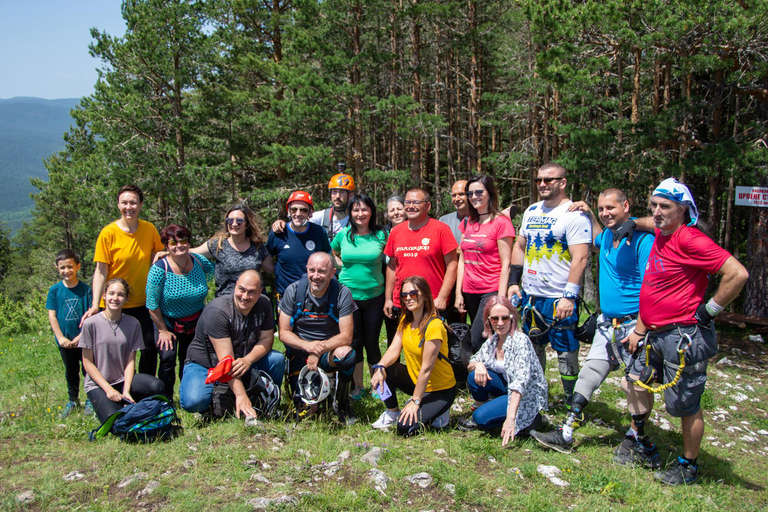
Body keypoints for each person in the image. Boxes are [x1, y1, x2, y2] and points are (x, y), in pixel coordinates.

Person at [621, 177, 748, 485]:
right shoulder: (663, 231)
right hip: (651, 332)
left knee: (684, 405)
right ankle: (639, 442)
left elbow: (737, 273)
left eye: (665, 206)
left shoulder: (690, 239)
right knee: (634, 383)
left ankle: (687, 465)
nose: (657, 212)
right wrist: (633, 223)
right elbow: (653, 222)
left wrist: (709, 311)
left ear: (684, 210)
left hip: (683, 336)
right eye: (653, 205)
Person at [530, 188, 659, 468]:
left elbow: (653, 287)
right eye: (602, 209)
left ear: (627, 206)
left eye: (611, 208)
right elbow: (598, 239)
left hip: (635, 324)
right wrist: (589, 213)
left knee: (635, 385)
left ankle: (637, 438)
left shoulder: (642, 240)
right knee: (589, 374)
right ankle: (566, 433)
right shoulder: (609, 237)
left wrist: (641, 328)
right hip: (607, 324)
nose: (606, 213)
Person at [507, 164, 591, 405]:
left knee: (566, 351)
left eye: (549, 180)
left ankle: (571, 401)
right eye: (539, 180)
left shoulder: (573, 214)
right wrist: (514, 282)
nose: (543, 184)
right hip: (531, 297)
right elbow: (520, 246)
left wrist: (569, 296)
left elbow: (581, 257)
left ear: (563, 183)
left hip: (559, 296)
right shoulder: (532, 211)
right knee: (533, 348)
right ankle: (536, 396)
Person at [82, 184, 164, 377]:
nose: (129, 207)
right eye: (124, 203)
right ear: (118, 205)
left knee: (149, 349)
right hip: (113, 302)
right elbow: (101, 271)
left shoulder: (149, 229)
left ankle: (145, 392)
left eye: (133, 202)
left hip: (143, 303)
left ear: (141, 205)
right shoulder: (108, 233)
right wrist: (95, 304)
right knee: (109, 350)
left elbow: (157, 256)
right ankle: (105, 390)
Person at [179, 270, 285, 419]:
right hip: (206, 363)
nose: (245, 297)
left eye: (251, 292)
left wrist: (248, 360)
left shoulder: (264, 304)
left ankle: (267, 403)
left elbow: (267, 339)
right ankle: (211, 406)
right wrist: (241, 395)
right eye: (241, 289)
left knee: (276, 359)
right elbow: (226, 362)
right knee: (194, 401)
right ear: (235, 286)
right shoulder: (218, 311)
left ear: (260, 292)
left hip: (242, 359)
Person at [370, 276, 457, 436]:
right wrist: (380, 367)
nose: (408, 298)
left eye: (413, 293)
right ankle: (392, 411)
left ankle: (441, 411)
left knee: (405, 429)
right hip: (417, 382)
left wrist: (415, 402)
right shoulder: (406, 320)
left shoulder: (434, 325)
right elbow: (393, 349)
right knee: (384, 370)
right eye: (404, 295)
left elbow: (426, 368)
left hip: (440, 390)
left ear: (424, 295)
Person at [457, 296, 548, 446]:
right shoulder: (493, 341)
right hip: (506, 387)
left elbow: (520, 383)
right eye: (495, 318)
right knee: (474, 376)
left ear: (512, 318)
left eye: (505, 318)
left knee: (480, 418)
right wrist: (478, 364)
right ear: (488, 320)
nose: (500, 323)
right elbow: (472, 361)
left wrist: (511, 418)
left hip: (526, 394)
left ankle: (530, 418)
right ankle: (489, 408)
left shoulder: (520, 341)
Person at [279, 252, 358, 424]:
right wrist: (307, 347)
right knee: (308, 413)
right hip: (299, 354)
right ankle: (312, 395)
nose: (316, 276)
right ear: (306, 269)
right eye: (312, 270)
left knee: (347, 354)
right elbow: (283, 332)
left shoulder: (342, 293)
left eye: (322, 271)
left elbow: (346, 336)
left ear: (332, 273)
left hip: (327, 353)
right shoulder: (293, 291)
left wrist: (318, 350)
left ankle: (342, 402)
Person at [79, 279, 165, 423]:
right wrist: (109, 390)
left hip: (123, 380)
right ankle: (112, 405)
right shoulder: (90, 324)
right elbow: (87, 363)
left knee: (157, 385)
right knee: (117, 421)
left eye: (120, 295)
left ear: (126, 299)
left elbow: (131, 361)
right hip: (98, 384)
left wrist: (126, 390)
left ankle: (134, 404)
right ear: (104, 296)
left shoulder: (133, 323)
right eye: (111, 293)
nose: (115, 298)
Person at [146, 224, 214, 399]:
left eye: (183, 241)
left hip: (196, 323)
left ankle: (188, 395)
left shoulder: (199, 261)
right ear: (166, 246)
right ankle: (166, 399)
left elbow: (216, 273)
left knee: (190, 360)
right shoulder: (160, 269)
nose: (179, 246)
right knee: (168, 358)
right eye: (172, 243)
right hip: (167, 323)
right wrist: (162, 330)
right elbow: (152, 305)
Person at [331, 194, 388, 400]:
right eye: (355, 210)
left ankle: (376, 385)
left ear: (371, 211)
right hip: (348, 297)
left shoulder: (381, 234)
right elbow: (334, 252)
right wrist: (342, 267)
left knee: (372, 342)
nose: (360, 214)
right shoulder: (344, 234)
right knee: (354, 342)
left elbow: (392, 261)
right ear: (350, 213)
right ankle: (358, 387)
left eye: (364, 209)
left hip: (375, 295)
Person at [384, 188, 459, 334]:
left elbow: (452, 265)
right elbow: (392, 267)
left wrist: (443, 297)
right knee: (408, 345)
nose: (411, 206)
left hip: (432, 302)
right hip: (405, 302)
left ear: (428, 206)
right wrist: (388, 298)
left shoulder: (441, 229)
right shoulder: (396, 232)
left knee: (433, 348)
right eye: (407, 202)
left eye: (416, 202)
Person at [455, 175, 515, 353]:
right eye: (470, 193)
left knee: (476, 340)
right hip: (469, 291)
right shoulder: (468, 222)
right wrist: (459, 293)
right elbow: (462, 259)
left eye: (479, 192)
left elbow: (506, 263)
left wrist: (501, 299)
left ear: (490, 193)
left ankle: (483, 375)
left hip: (490, 289)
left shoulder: (501, 223)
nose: (474, 196)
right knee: (486, 340)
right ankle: (482, 377)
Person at [46, 249, 93, 418]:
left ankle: (91, 399)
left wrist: (81, 336)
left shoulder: (85, 290)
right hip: (64, 341)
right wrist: (60, 337)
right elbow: (52, 315)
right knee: (70, 371)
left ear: (78, 266)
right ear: (57, 268)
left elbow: (90, 315)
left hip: (84, 339)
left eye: (70, 266)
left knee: (88, 369)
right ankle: (73, 400)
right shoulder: (55, 290)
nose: (66, 271)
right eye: (62, 268)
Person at [188, 204, 273, 297]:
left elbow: (273, 268)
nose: (234, 224)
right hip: (226, 302)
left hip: (252, 300)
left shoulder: (257, 247)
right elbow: (191, 253)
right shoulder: (218, 245)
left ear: (247, 224)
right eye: (230, 220)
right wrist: (172, 250)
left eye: (239, 221)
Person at [267, 191, 332, 302]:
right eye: (294, 209)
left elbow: (328, 257)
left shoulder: (319, 232)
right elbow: (265, 257)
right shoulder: (278, 233)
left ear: (310, 213)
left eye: (303, 210)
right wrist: (278, 271)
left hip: (314, 297)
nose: (298, 214)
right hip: (285, 296)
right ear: (288, 211)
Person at [271, 169, 355, 245]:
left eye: (342, 192)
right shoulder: (320, 217)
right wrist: (281, 224)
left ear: (350, 196)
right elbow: (298, 224)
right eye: (334, 192)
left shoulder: (356, 219)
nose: (337, 196)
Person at [383, 195, 406, 344]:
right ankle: (394, 367)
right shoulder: (381, 234)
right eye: (392, 210)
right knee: (393, 337)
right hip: (389, 291)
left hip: (411, 289)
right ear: (387, 214)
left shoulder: (414, 229)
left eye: (399, 208)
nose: (396, 213)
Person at [438, 180, 469, 245]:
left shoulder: (482, 220)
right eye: (454, 195)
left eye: (461, 194)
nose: (457, 199)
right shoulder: (444, 221)